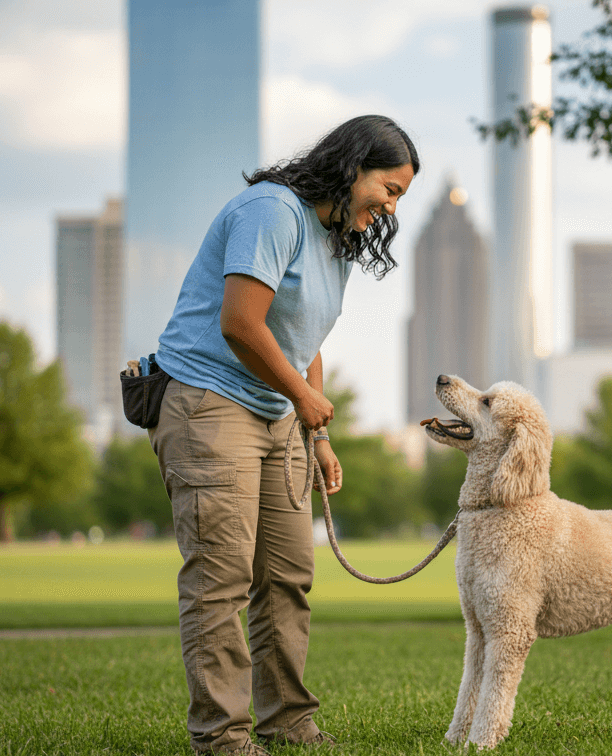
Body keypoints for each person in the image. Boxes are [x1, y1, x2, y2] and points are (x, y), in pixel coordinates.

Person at [149, 115, 419, 755]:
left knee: (289, 576)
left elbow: (304, 341)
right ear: (353, 168)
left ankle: (288, 721)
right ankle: (221, 735)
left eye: (401, 197)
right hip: (209, 404)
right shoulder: (272, 212)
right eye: (390, 188)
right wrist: (303, 397)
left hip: (276, 415)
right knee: (222, 579)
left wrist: (316, 434)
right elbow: (242, 323)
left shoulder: (335, 238)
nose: (390, 206)